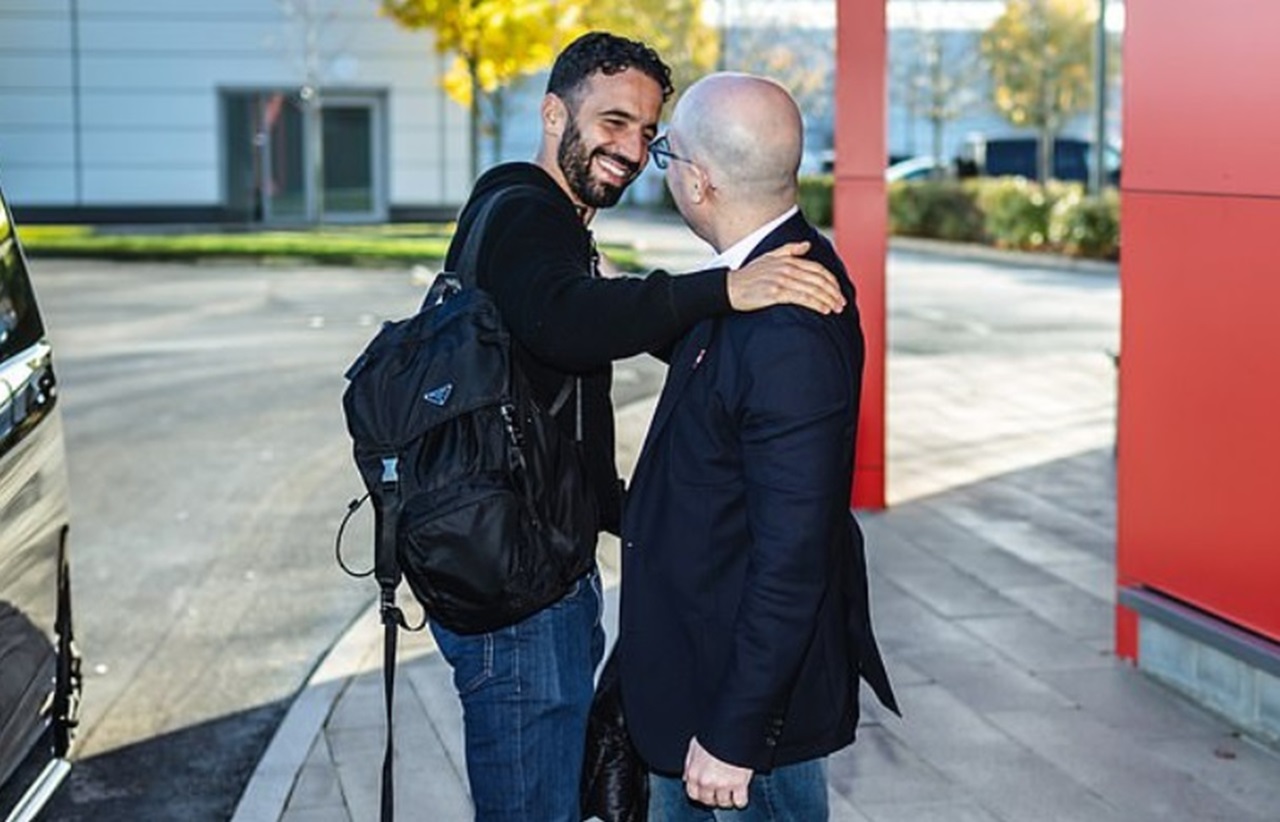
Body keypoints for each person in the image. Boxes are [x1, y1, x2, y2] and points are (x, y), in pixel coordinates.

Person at [431, 34, 847, 822]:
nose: (631, 148)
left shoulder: (539, 217)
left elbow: (571, 377)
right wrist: (721, 288)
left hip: (532, 566)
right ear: (555, 113)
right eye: (612, 121)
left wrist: (632, 513)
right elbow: (565, 321)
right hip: (515, 592)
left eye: (648, 132)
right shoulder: (527, 210)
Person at [618, 73, 899, 820]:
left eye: (665, 155)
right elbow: (706, 361)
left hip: (736, 731)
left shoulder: (787, 324)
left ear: (699, 182)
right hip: (704, 690)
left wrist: (734, 736)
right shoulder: (762, 274)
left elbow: (793, 556)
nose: (664, 169)